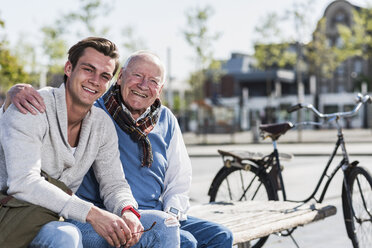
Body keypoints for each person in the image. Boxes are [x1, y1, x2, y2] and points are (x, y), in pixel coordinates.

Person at [5, 51, 234, 248]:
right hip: (100, 212)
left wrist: (171, 212)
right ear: (121, 77)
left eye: (153, 80)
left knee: (220, 236)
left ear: (161, 89)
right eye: (137, 75)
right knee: (185, 241)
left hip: (151, 211)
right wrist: (13, 94)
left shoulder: (166, 119)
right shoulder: (95, 111)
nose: (143, 85)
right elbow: (64, 98)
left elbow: (179, 179)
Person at [0, 37, 143, 248]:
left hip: (58, 216)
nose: (95, 80)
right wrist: (92, 214)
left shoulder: (101, 124)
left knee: (159, 226)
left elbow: (114, 184)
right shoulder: (31, 105)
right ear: (69, 68)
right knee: (66, 236)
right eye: (88, 69)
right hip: (12, 218)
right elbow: (23, 183)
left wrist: (127, 210)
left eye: (104, 76)